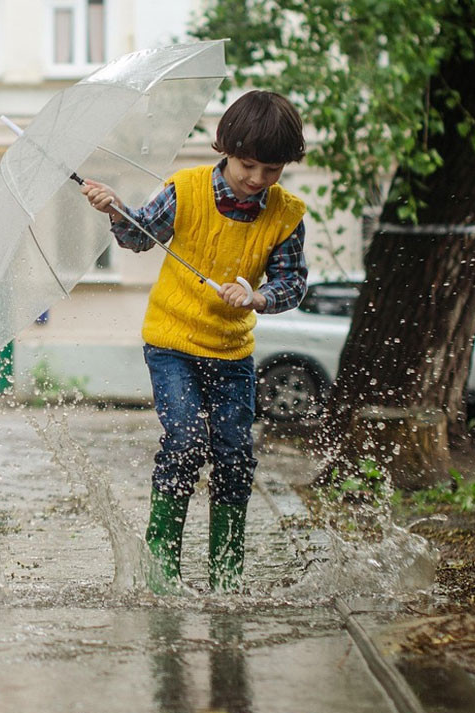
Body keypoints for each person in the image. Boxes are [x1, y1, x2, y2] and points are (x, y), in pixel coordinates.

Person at [81, 90, 308, 593]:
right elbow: (140, 237)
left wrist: (260, 297)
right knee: (184, 445)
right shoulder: (185, 191)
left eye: (272, 170)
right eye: (248, 165)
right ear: (224, 148)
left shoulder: (286, 215)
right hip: (172, 344)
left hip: (232, 352)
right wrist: (116, 209)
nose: (257, 179)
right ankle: (162, 575)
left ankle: (227, 578)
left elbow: (292, 283)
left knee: (234, 457)